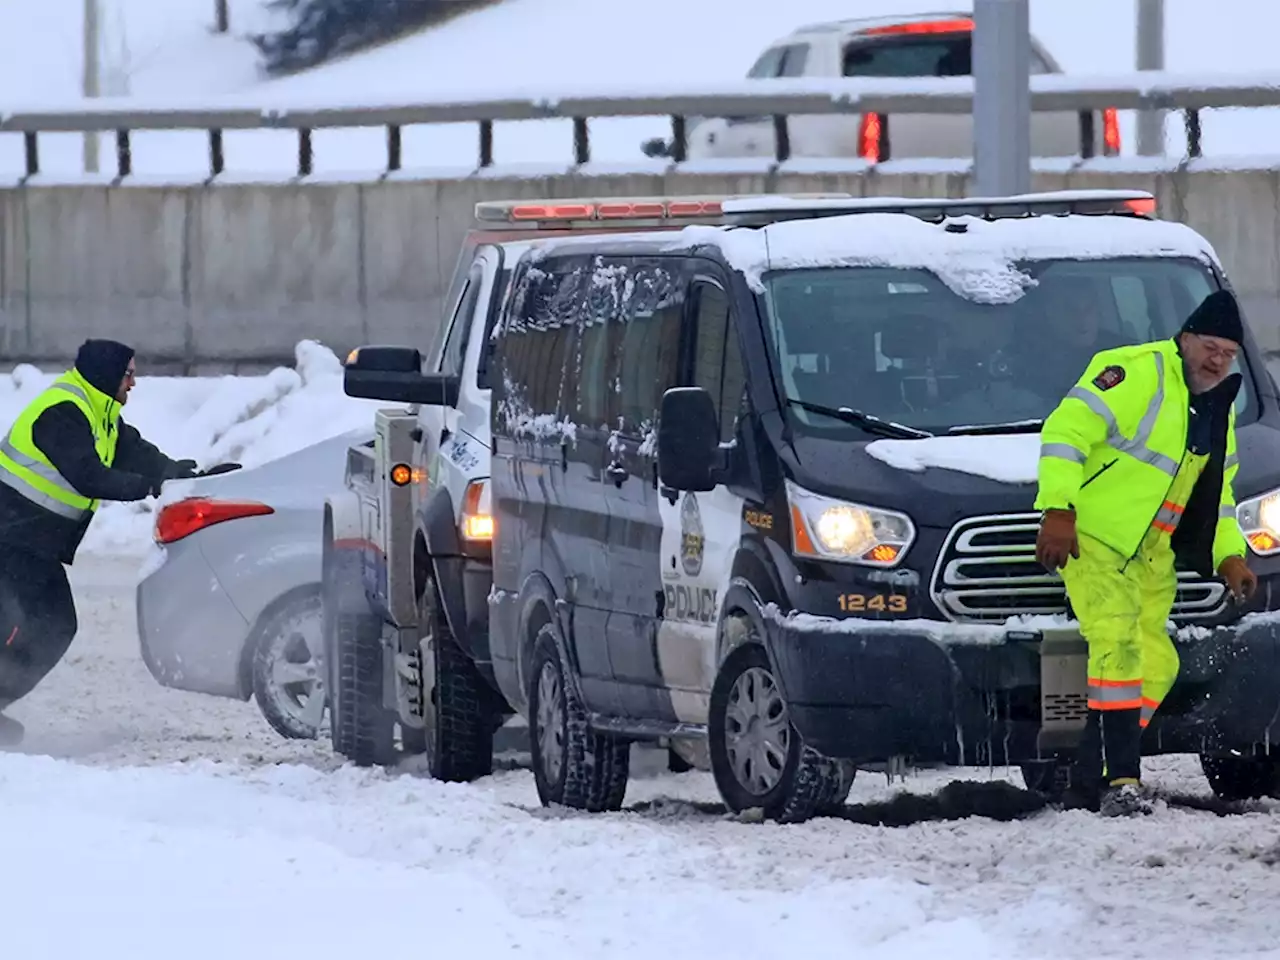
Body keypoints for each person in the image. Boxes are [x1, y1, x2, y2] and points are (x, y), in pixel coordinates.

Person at [1034, 289, 1258, 817]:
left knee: (1157, 662)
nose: (1217, 359)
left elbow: (1217, 495)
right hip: (1098, 541)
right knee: (1119, 647)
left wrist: (1229, 555)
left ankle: (1085, 775)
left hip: (1151, 557)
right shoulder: (1137, 372)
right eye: (1209, 346)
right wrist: (1058, 510)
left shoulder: (1216, 407)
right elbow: (1065, 432)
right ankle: (1123, 783)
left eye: (1228, 353)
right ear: (1184, 339)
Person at [0, 339, 237, 748]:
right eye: (128, 373)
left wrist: (185, 477)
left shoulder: (100, 414)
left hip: (30, 541)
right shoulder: (63, 412)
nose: (134, 382)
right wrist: (150, 486)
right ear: (107, 374)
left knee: (50, 626)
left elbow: (138, 454)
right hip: (11, 535)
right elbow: (89, 475)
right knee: (39, 624)